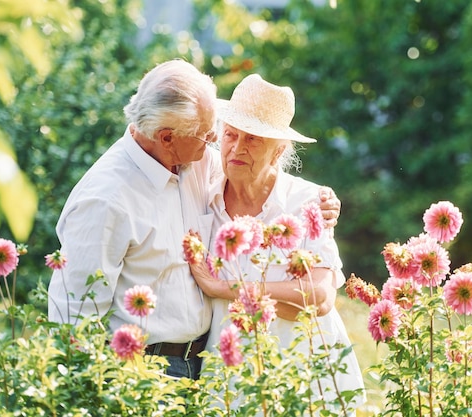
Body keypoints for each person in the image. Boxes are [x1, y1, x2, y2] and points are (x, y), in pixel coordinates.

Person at [47, 59, 341, 380]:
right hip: (142, 371)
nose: (215, 141)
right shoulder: (106, 199)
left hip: (206, 366)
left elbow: (260, 174)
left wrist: (321, 202)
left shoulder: (194, 162)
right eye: (205, 135)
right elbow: (73, 319)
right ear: (167, 137)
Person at [188, 74, 365, 412]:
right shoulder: (202, 192)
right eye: (231, 134)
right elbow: (298, 301)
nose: (238, 148)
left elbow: (319, 297)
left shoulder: (307, 202)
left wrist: (225, 288)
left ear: (279, 150)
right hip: (230, 377)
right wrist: (282, 297)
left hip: (306, 376)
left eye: (253, 140)